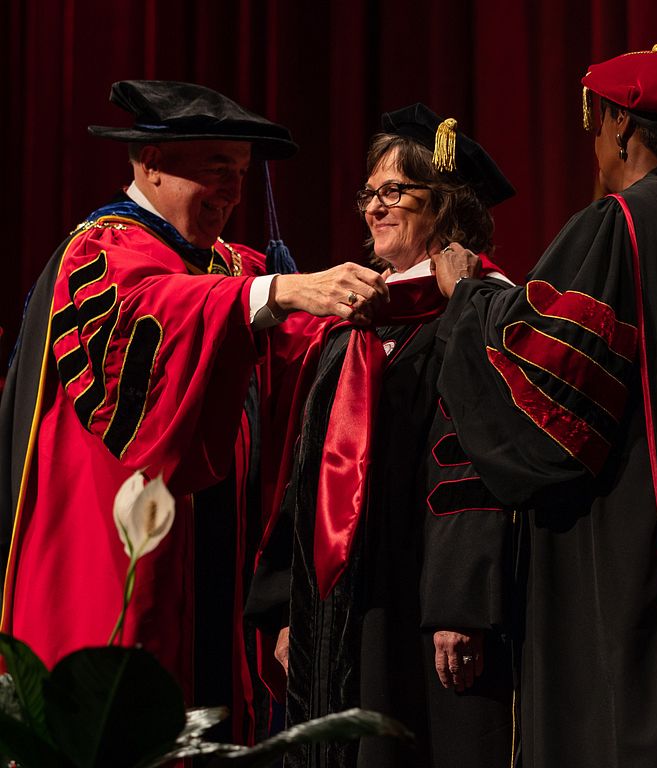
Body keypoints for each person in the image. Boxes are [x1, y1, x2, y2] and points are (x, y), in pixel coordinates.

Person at [0, 80, 388, 740]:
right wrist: (282, 289)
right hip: (112, 547)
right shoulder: (99, 253)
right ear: (151, 164)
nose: (232, 193)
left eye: (239, 175)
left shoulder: (227, 264)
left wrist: (398, 309)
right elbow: (162, 311)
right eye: (215, 171)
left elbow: (299, 347)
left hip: (211, 555)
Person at [430, 47, 657, 766]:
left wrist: (467, 297)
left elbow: (542, 396)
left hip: (628, 552)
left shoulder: (621, 223)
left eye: (597, 127)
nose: (595, 149)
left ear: (620, 125)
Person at [247, 104, 518, 767]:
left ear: (444, 201)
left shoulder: (481, 312)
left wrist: (462, 607)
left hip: (427, 608)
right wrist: (290, 605)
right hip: (343, 610)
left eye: (392, 191)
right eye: (368, 193)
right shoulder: (353, 329)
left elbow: (475, 470)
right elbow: (307, 472)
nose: (372, 208)